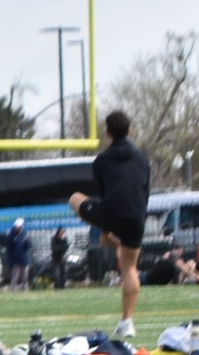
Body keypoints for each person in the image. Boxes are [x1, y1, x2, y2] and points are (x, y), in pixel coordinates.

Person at [65, 111, 152, 336]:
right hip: (136, 216)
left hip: (111, 214)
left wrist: (105, 230)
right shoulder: (142, 159)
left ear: (107, 132)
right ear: (129, 130)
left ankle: (111, 238)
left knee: (75, 198)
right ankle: (127, 322)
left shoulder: (102, 161)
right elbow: (144, 192)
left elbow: (106, 197)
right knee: (130, 269)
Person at [3, 218, 33, 290]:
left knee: (25, 276)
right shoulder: (11, 236)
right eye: (18, 227)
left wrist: (27, 242)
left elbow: (28, 246)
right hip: (15, 261)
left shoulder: (24, 235)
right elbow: (9, 249)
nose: (19, 228)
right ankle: (13, 289)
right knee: (15, 277)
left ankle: (25, 289)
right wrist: (10, 261)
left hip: (24, 260)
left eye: (20, 227)